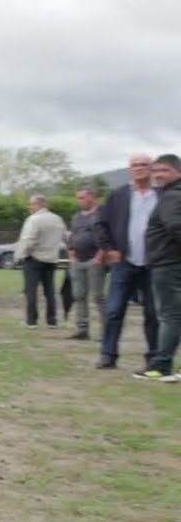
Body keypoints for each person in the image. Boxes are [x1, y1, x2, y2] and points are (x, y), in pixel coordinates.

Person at [94, 153, 161, 370]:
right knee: (114, 310)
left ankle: (153, 356)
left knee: (153, 313)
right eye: (135, 165)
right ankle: (108, 354)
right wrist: (109, 249)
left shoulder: (163, 195)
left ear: (152, 169)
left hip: (154, 264)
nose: (139, 168)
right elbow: (100, 224)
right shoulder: (118, 195)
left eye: (144, 165)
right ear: (129, 169)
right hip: (124, 262)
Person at [139, 154, 181, 381]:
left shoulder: (171, 197)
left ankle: (161, 365)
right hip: (170, 262)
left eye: (163, 170)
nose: (157, 175)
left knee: (170, 315)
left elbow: (176, 226)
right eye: (155, 171)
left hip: (168, 263)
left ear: (177, 171)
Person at [14, 194, 68, 329]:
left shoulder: (34, 219)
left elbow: (29, 240)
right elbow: (65, 236)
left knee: (30, 290)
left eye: (31, 204)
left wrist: (20, 255)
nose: (29, 207)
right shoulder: (57, 219)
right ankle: (52, 320)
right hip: (51, 259)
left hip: (34, 258)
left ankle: (31, 321)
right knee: (49, 290)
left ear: (38, 204)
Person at [66, 186, 105, 340]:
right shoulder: (76, 217)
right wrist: (71, 254)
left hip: (94, 260)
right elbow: (72, 236)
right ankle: (82, 329)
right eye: (78, 198)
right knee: (79, 295)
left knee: (98, 297)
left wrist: (99, 257)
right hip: (78, 261)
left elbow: (106, 236)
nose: (79, 200)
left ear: (92, 197)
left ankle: (106, 330)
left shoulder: (101, 215)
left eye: (82, 197)